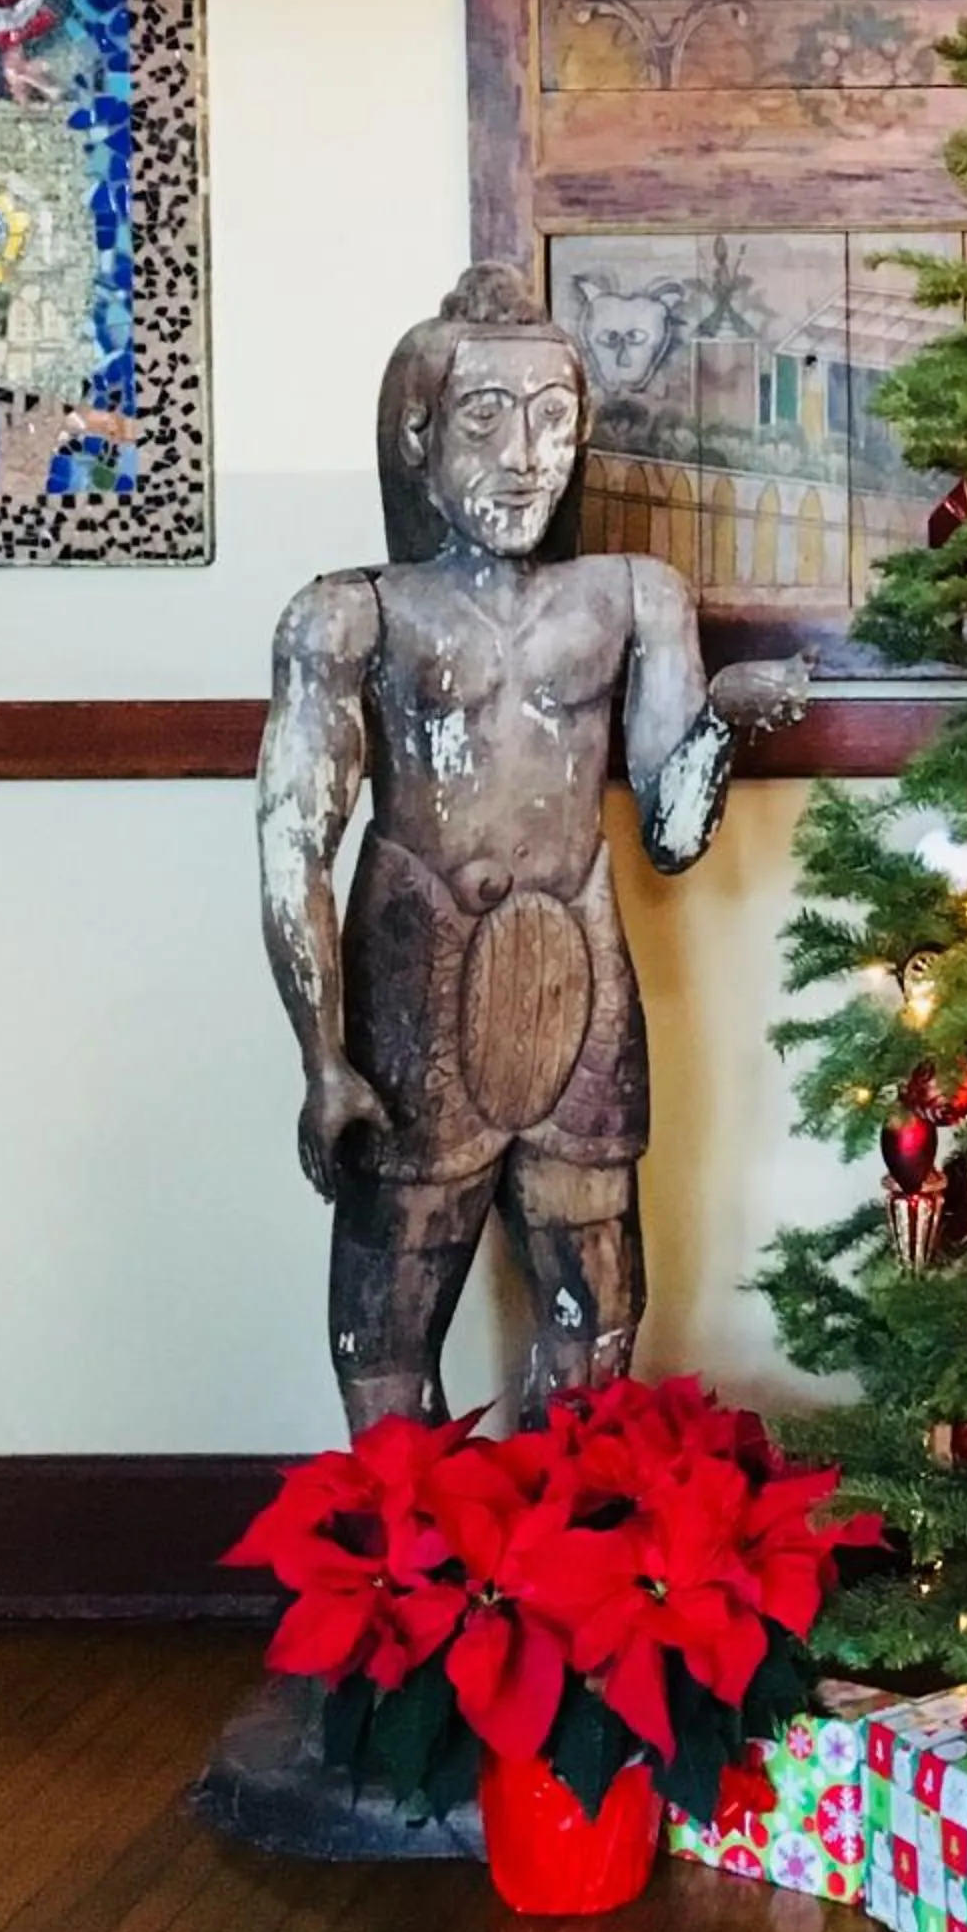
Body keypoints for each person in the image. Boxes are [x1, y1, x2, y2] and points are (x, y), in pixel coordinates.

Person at [255, 263, 806, 1429]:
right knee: (386, 1322)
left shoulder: (632, 600)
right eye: (487, 418)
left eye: (554, 422)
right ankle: (412, 1586)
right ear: (419, 433)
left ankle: (567, 1571)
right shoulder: (351, 615)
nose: (524, 457)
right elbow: (291, 840)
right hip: (414, 987)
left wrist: (723, 728)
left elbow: (669, 832)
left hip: (581, 979)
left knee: (599, 1308)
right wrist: (322, 1055)